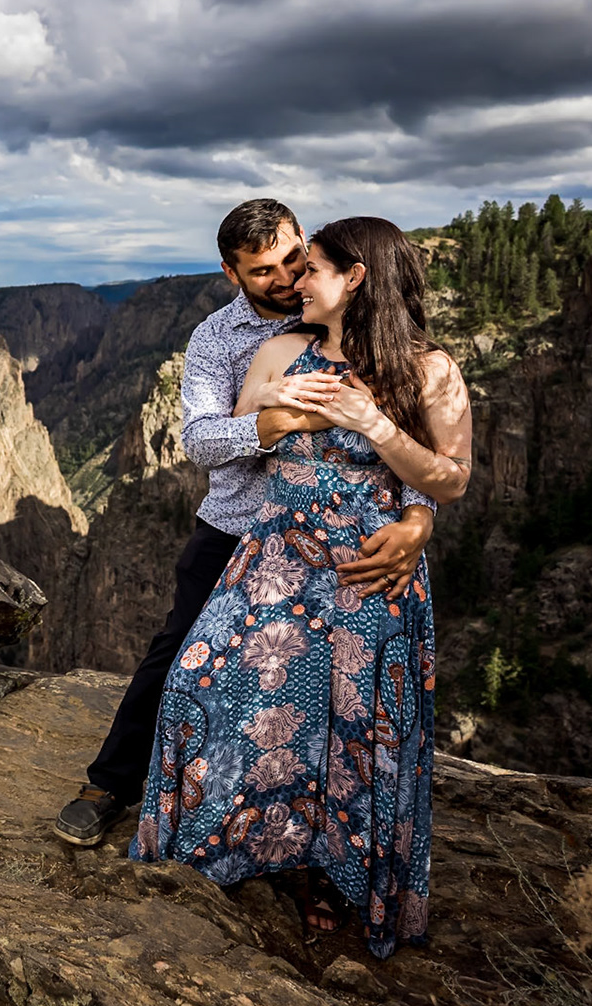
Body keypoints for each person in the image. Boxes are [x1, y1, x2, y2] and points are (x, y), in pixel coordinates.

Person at [129, 215, 471, 959]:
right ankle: (238, 844)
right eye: (277, 271)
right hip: (275, 559)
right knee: (193, 683)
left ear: (354, 278)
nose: (293, 282)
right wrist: (281, 415)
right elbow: (214, 436)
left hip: (364, 573)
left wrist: (384, 443)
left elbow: (450, 476)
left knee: (350, 731)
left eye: (307, 266)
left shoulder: (432, 369)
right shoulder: (279, 348)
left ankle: (329, 872)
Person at [53, 200, 440, 851]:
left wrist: (420, 515)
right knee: (178, 657)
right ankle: (110, 785)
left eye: (295, 258)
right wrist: (280, 422)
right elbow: (201, 441)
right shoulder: (214, 339)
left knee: (326, 679)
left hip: (334, 538)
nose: (286, 277)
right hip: (236, 529)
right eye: (263, 270)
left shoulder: (346, 315)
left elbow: (411, 431)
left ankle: (313, 824)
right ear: (232, 272)